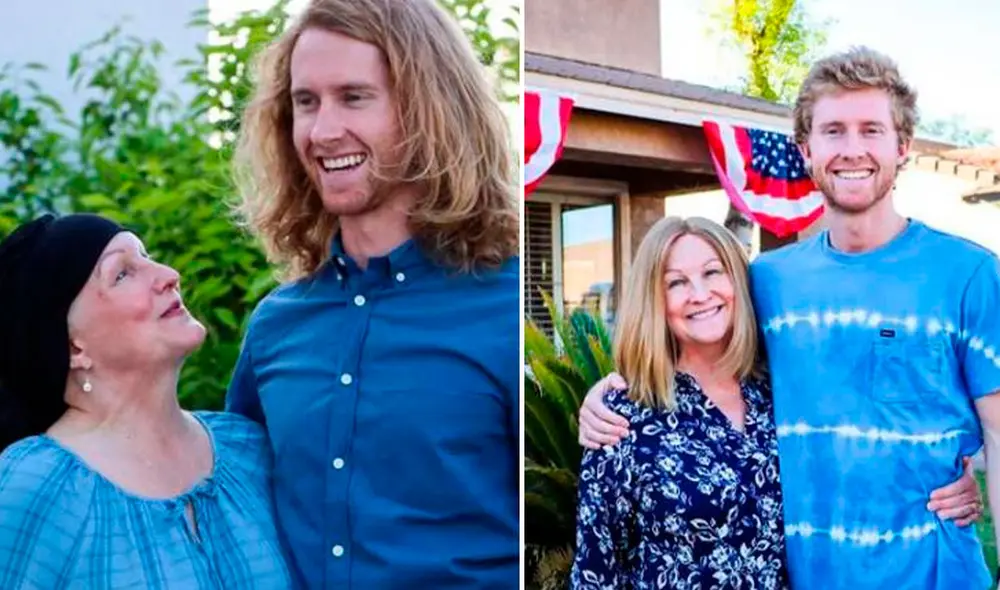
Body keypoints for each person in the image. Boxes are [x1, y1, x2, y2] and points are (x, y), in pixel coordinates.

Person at [578, 47, 999, 589]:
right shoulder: (767, 284)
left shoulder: (968, 274)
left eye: (871, 130)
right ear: (805, 149)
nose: (852, 149)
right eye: (833, 131)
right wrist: (608, 394)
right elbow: (699, 347)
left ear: (903, 146)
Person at [226, 0, 520, 588]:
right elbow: (235, 506)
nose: (323, 131)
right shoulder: (275, 327)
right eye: (306, 102)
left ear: (429, 108)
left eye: (354, 97)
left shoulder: (507, 311)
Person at [0, 213, 292, 589]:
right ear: (73, 347)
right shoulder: (36, 484)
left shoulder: (249, 450)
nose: (169, 275)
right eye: (122, 274)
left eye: (147, 256)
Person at [571, 216, 787, 589]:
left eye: (712, 272)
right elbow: (597, 569)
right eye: (676, 282)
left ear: (737, 280)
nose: (699, 294)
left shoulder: (779, 392)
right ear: (654, 300)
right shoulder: (623, 418)